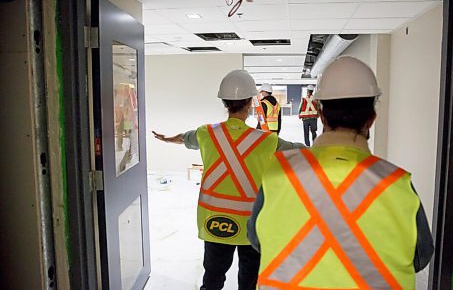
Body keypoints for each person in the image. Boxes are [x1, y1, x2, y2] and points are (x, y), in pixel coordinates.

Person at [248, 57, 434, 289]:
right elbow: (421, 255)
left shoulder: (279, 172)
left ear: (321, 115)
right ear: (372, 119)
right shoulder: (396, 183)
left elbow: (256, 240)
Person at [152, 70, 304, 290]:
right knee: (249, 282)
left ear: (224, 103)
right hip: (250, 223)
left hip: (215, 219)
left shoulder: (206, 133)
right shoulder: (266, 140)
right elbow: (297, 151)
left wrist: (167, 139)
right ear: (251, 102)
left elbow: (185, 138)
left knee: (212, 279)